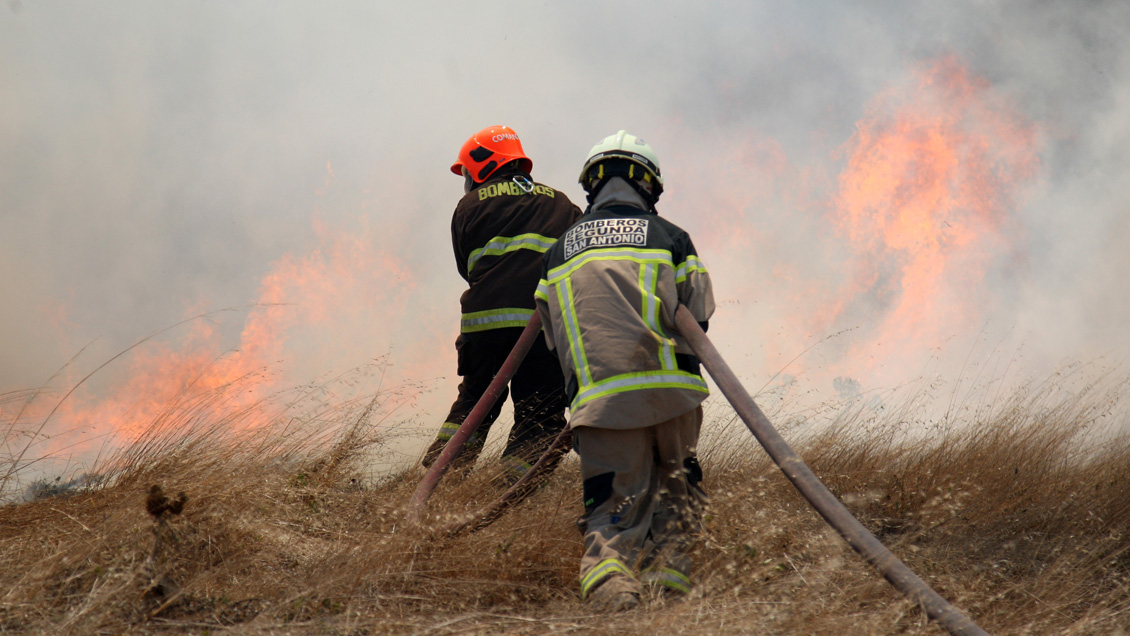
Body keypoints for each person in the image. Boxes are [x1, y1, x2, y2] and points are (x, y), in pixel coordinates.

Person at [534, 131, 715, 611]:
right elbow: (698, 318)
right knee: (678, 499)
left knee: (611, 516)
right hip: (674, 395)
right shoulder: (670, 238)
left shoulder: (557, 254)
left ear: (592, 186)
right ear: (649, 186)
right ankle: (668, 597)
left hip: (603, 406)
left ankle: (616, 599)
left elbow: (553, 338)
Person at [421, 125, 583, 484]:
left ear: (481, 164)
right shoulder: (561, 202)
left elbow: (466, 267)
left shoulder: (468, 206)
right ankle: (510, 489)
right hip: (540, 328)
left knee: (475, 401)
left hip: (483, 325)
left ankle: (439, 479)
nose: (465, 180)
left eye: (465, 171)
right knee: (540, 412)